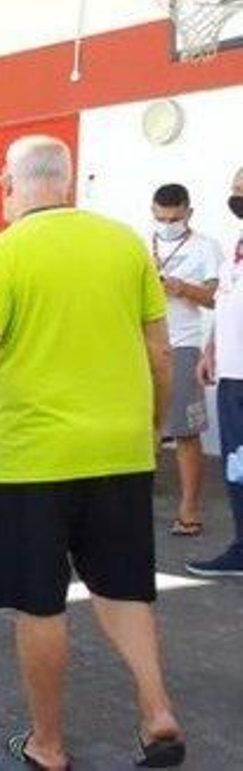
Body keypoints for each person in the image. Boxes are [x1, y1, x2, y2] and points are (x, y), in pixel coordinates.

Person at [0, 136, 185, 770]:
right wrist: (151, 428)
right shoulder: (125, 243)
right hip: (121, 452)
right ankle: (156, 710)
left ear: (7, 184)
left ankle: (47, 744)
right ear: (68, 181)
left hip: (36, 461)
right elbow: (160, 354)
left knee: (39, 601)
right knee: (125, 589)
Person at [146, 183, 222, 537]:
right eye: (161, 218)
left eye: (174, 219)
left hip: (182, 344)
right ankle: (136, 496)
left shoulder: (206, 247)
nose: (167, 225)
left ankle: (189, 509)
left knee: (184, 431)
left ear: (188, 213)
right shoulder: (141, 243)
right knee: (141, 425)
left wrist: (182, 288)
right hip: (142, 343)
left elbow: (216, 298)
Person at [190, 165, 243, 577]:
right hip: (231, 376)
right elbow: (226, 304)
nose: (236, 198)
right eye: (235, 189)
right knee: (236, 464)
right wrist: (211, 349)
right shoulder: (236, 251)